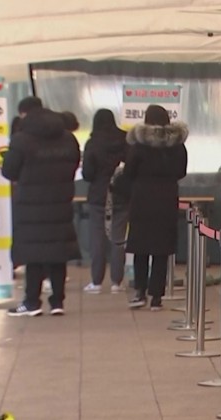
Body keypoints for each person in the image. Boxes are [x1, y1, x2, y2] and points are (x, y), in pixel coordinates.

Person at [2, 97, 81, 316]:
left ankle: (32, 302)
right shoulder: (68, 138)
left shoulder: (21, 139)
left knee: (33, 254)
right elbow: (74, 164)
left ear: (24, 114)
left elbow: (9, 170)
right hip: (60, 202)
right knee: (58, 252)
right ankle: (57, 302)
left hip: (31, 205)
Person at [122, 105, 188, 310]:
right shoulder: (177, 146)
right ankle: (157, 296)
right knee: (161, 249)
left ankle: (140, 292)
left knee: (140, 248)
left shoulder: (139, 145)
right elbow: (181, 172)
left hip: (142, 199)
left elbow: (128, 171)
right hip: (166, 198)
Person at [81, 109, 129, 294]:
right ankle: (117, 281)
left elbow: (87, 173)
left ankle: (96, 281)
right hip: (121, 195)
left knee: (97, 238)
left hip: (98, 196)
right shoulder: (125, 140)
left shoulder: (93, 143)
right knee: (118, 238)